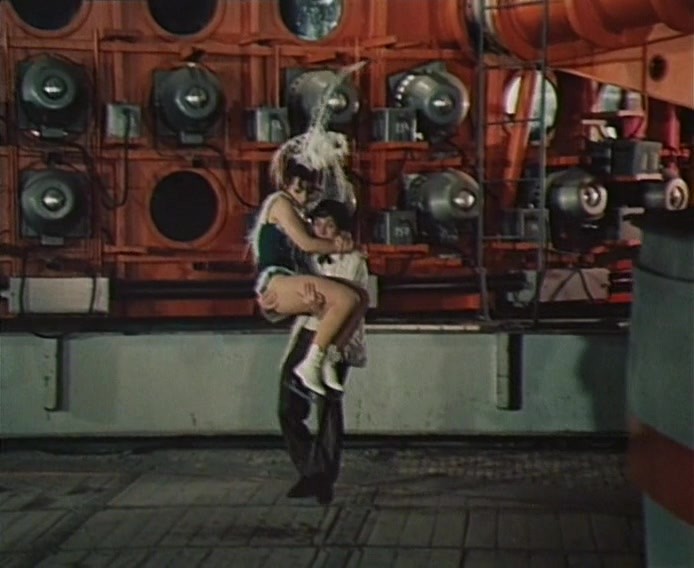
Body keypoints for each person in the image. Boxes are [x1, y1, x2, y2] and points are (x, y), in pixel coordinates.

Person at [249, 158, 369, 396]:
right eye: (298, 189)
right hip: (275, 279)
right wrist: (341, 247)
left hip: (292, 279)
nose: (304, 196)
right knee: (346, 299)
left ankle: (329, 358)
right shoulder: (280, 203)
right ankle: (311, 364)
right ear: (286, 184)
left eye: (309, 191)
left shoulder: (300, 213)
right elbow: (307, 244)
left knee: (360, 298)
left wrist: (341, 241)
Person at [277, 199, 368, 504]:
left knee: (327, 408)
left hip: (336, 339)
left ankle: (323, 478)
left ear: (341, 229)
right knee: (287, 406)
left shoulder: (353, 260)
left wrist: (323, 315)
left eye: (330, 225)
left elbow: (353, 305)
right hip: (306, 332)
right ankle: (310, 469)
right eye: (318, 224)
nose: (323, 230)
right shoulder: (306, 256)